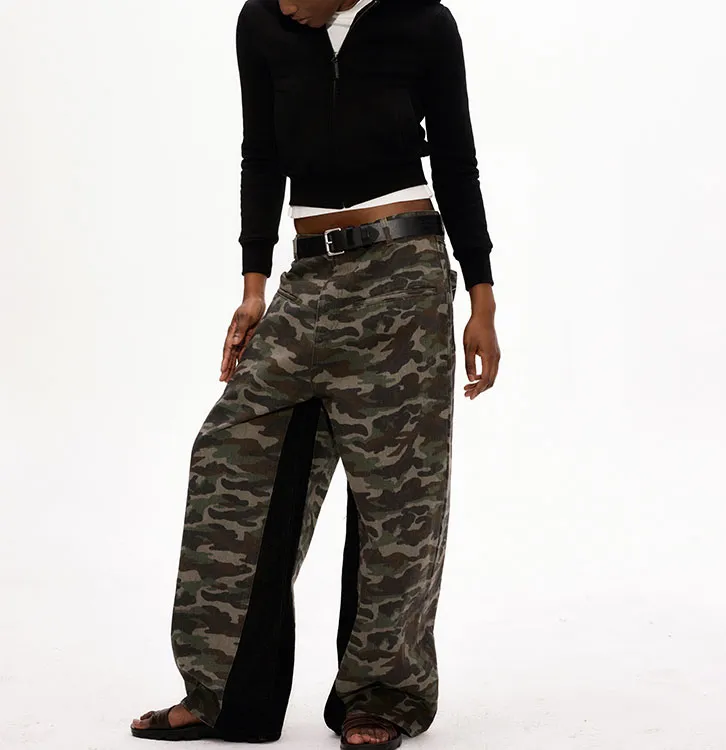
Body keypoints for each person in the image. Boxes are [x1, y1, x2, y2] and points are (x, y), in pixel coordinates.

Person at [130, 0, 500, 746]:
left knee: (399, 495)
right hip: (308, 280)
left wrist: (482, 300)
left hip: (404, 276)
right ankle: (222, 693)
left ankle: (380, 698)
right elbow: (261, 154)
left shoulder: (423, 22)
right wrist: (254, 288)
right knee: (229, 453)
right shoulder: (262, 23)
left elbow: (456, 159)